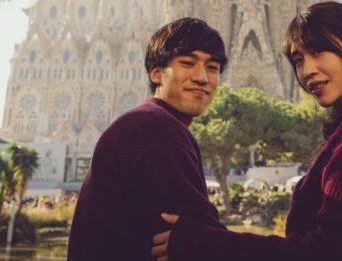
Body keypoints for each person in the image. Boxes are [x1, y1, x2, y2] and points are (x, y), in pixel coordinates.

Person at [151, 1, 342, 261]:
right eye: (298, 60)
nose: (308, 70)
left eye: (318, 51)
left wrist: (208, 244)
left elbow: (331, 253)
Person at [68, 17, 228, 260]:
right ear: (156, 74)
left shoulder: (147, 122)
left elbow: (200, 237)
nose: (202, 77)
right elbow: (205, 241)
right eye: (187, 63)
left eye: (212, 68)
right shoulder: (158, 129)